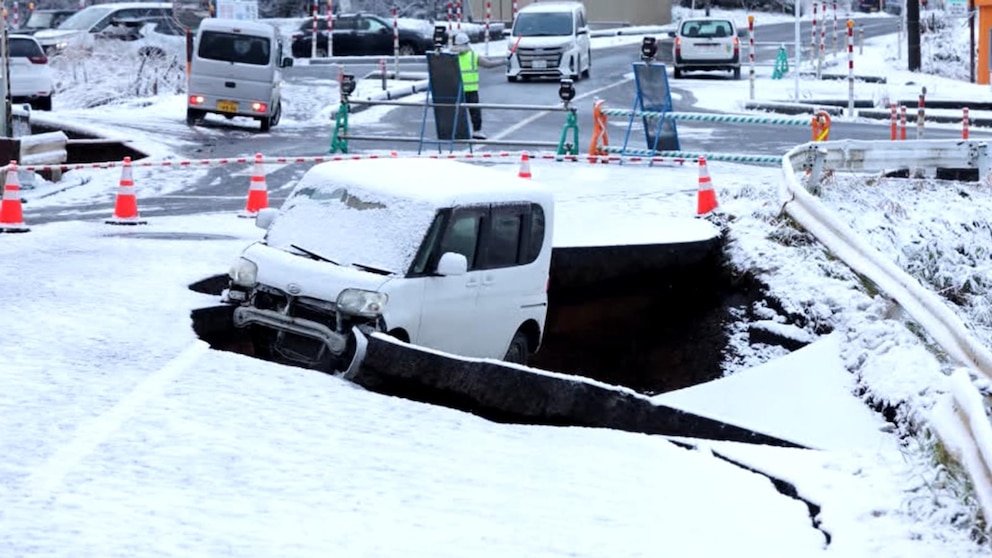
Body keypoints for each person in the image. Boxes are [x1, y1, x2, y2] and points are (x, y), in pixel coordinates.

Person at [452, 31, 504, 140]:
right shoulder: (471, 56)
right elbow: (488, 64)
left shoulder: (452, 56)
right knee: (473, 112)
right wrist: (503, 61)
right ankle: (475, 131)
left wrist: (502, 61)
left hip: (458, 90)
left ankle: (458, 132)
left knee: (460, 112)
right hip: (468, 90)